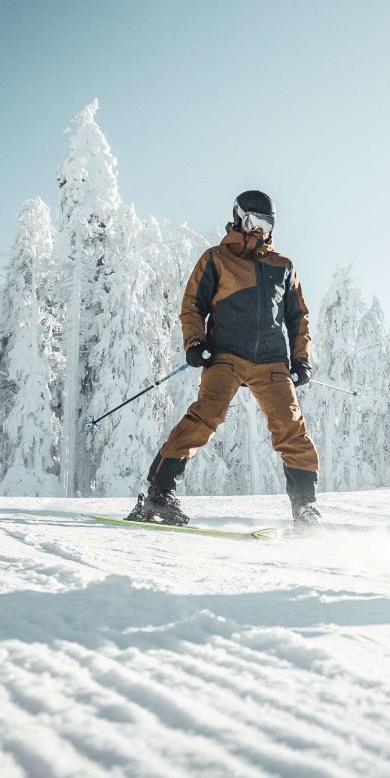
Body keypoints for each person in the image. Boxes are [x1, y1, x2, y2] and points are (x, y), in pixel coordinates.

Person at [126, 189, 323, 534]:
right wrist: (195, 341)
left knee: (292, 430)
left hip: (272, 362)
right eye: (252, 221)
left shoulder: (283, 267)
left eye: (265, 223)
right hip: (226, 355)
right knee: (204, 418)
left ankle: (305, 509)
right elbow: (193, 305)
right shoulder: (216, 258)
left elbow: (298, 319)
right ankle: (159, 493)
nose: (258, 229)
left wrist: (301, 359)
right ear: (237, 218)